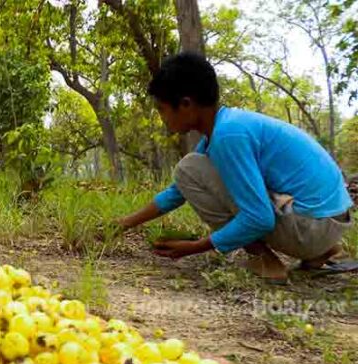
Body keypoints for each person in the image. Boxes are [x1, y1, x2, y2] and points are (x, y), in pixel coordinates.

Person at [116, 52, 353, 281]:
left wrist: (197, 247)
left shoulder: (228, 136)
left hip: (309, 229)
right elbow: (178, 191)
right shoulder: (226, 127)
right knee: (190, 170)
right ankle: (322, 251)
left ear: (186, 104)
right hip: (327, 222)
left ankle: (265, 261)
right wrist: (124, 223)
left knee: (187, 167)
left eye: (162, 109)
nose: (162, 118)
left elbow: (260, 218)